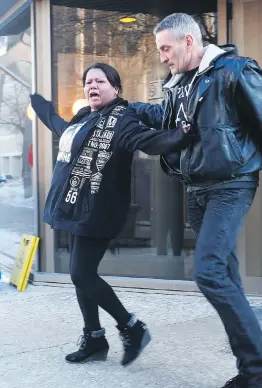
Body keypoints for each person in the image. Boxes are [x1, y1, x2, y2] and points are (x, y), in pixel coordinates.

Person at [30, 62, 195, 367]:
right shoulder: (84, 118)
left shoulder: (122, 118)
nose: (92, 86)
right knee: (81, 276)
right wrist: (41, 106)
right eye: (88, 82)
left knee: (81, 274)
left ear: (116, 88)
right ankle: (94, 338)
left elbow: (145, 140)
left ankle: (131, 327)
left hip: (99, 209)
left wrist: (178, 137)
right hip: (76, 206)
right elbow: (60, 128)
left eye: (100, 81)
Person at [131, 13, 262, 388]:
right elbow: (163, 117)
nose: (163, 57)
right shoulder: (180, 84)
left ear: (189, 41)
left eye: (166, 48)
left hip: (230, 185)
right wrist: (125, 104)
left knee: (207, 272)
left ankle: (257, 366)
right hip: (196, 189)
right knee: (226, 276)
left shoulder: (235, 71)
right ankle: (252, 368)